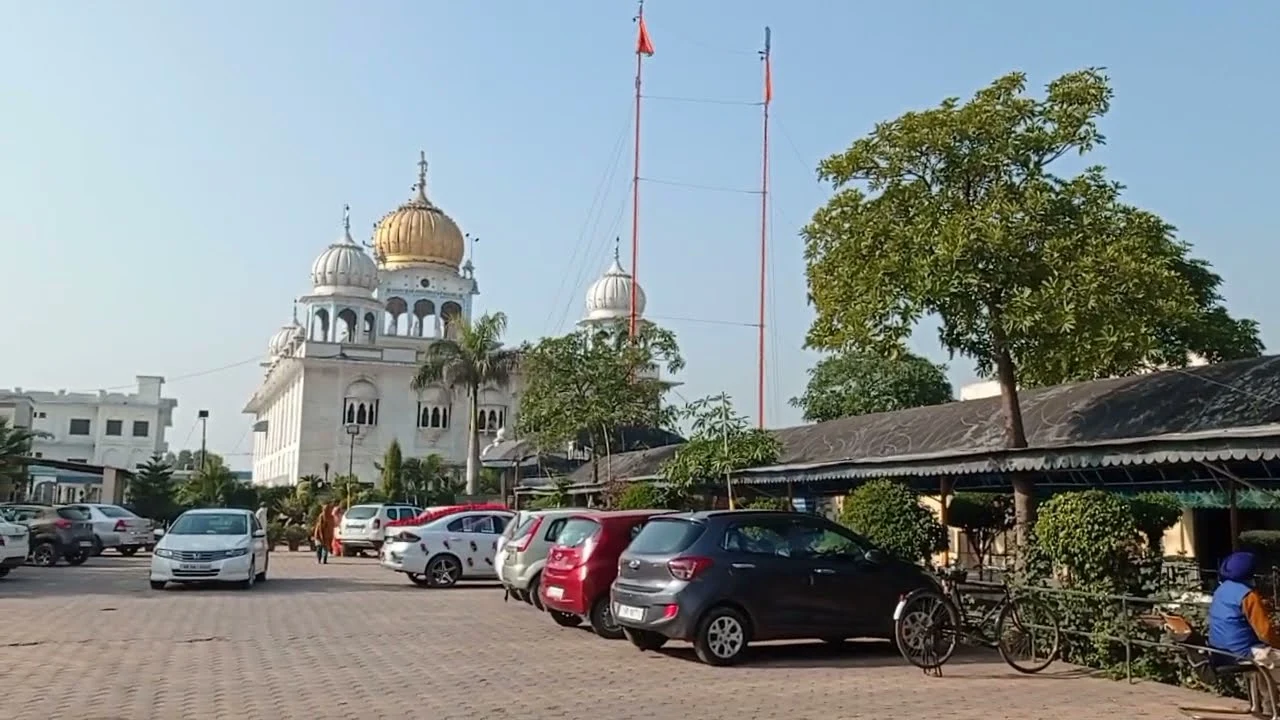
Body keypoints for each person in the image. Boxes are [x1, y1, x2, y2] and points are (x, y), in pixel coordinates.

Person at [1207, 551, 1280, 667]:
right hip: (1242, 654)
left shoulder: (1220, 590)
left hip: (1218, 652)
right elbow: (1265, 633)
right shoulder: (1248, 595)